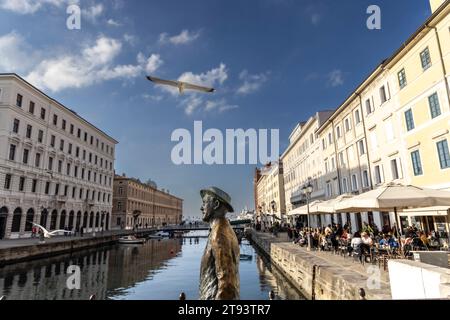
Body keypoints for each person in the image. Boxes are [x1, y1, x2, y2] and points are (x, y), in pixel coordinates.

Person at [199, 187, 239, 300]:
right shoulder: (224, 228)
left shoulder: (219, 234)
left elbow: (227, 287)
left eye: (204, 203)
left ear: (216, 204)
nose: (201, 207)